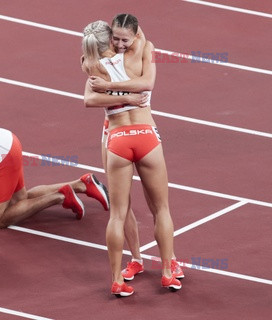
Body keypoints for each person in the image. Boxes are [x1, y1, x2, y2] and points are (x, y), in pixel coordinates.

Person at [82, 16, 183, 296]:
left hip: (116, 140)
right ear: (110, 37)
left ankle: (116, 280)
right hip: (146, 135)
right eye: (116, 39)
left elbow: (89, 99)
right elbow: (146, 84)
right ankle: (166, 272)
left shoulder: (90, 64)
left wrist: (107, 90)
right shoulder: (142, 49)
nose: (121, 43)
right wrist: (129, 95)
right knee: (161, 208)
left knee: (117, 213)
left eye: (124, 39)